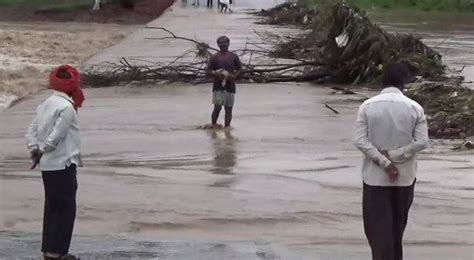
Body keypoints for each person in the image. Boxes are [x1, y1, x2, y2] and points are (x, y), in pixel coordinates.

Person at [354, 63, 430, 260]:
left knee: (378, 235)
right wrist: (396, 155)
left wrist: (384, 162)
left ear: (383, 82)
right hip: (405, 180)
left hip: (374, 180)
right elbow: (422, 142)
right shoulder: (415, 108)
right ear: (402, 84)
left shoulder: (367, 106)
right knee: (397, 233)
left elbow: (360, 141)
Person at [26, 65, 85, 260]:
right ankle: (56, 253)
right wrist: (43, 150)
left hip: (49, 166)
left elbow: (32, 130)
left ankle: (49, 250)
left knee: (52, 207)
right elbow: (56, 136)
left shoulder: (47, 103)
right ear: (71, 86)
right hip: (63, 164)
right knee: (65, 209)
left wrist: (35, 149)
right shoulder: (67, 107)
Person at [207, 36, 242, 128]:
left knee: (228, 109)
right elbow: (208, 71)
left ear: (228, 43)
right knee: (217, 107)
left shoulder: (234, 56)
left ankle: (227, 128)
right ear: (218, 44)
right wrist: (216, 73)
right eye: (221, 43)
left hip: (230, 87)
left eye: (224, 42)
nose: (223, 44)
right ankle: (213, 125)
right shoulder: (214, 57)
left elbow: (240, 69)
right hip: (218, 86)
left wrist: (234, 76)